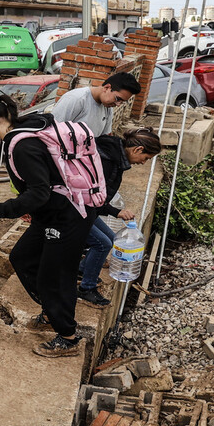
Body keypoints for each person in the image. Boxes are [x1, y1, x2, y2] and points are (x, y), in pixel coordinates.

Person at [0, 94, 96, 358]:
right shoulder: (28, 129)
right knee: (22, 257)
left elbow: (38, 194)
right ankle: (52, 309)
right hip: (52, 213)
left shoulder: (22, 145)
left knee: (56, 275)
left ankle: (67, 338)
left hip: (68, 214)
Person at [75, 128, 161, 306]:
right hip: (75, 209)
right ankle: (86, 288)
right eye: (146, 158)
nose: (144, 163)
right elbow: (91, 196)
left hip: (87, 208)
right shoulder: (107, 160)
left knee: (112, 238)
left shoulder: (115, 156)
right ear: (137, 150)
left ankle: (82, 269)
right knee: (102, 244)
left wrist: (114, 210)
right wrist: (116, 212)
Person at [52, 71, 142, 137]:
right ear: (107, 87)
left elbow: (106, 136)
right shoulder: (76, 99)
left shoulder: (108, 107)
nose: (118, 104)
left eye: (122, 102)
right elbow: (52, 131)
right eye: (118, 99)